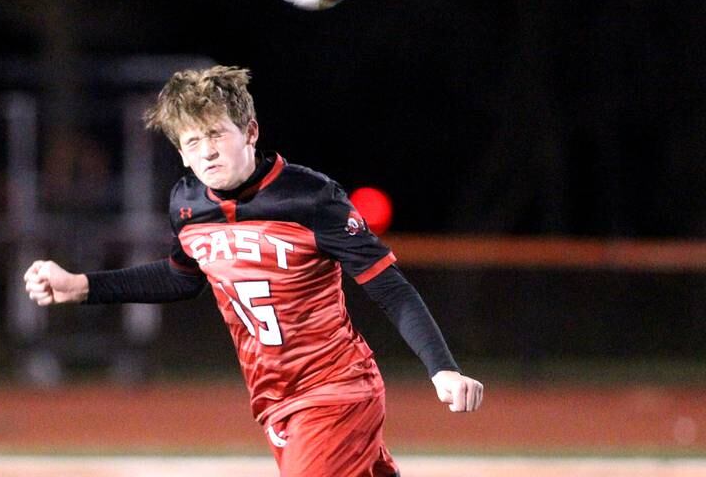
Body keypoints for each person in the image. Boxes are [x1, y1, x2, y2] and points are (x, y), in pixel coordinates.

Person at [24, 65, 483, 477]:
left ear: (250, 131)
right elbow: (181, 278)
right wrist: (83, 286)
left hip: (334, 390)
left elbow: (390, 287)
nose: (207, 152)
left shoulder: (309, 198)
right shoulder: (188, 204)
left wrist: (441, 368)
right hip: (273, 397)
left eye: (217, 134)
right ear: (181, 153)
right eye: (192, 141)